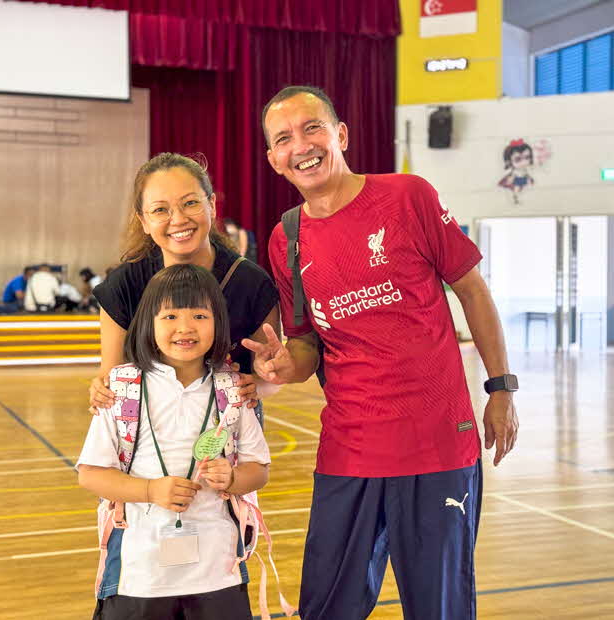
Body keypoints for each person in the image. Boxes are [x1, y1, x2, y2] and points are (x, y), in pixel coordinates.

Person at [242, 86, 519, 620]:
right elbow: (305, 348)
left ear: (340, 135)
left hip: (438, 444)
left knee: (439, 608)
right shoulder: (287, 239)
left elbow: (473, 290)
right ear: (273, 158)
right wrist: (281, 364)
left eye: (312, 128)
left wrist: (501, 389)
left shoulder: (408, 197)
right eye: (284, 138)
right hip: (351, 449)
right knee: (325, 607)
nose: (301, 145)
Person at [78, 263, 270, 619]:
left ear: (219, 323)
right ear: (148, 323)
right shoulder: (121, 387)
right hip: (140, 576)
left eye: (200, 314)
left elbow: (258, 471)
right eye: (169, 316)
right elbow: (90, 474)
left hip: (218, 571)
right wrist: (151, 491)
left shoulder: (233, 388)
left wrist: (233, 478)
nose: (185, 327)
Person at [88, 152, 280, 419]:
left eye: (190, 203)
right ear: (143, 220)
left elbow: (269, 377)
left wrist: (260, 381)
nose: (177, 219)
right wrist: (102, 390)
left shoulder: (252, 284)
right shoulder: (123, 285)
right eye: (159, 210)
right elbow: (111, 377)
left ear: (212, 205)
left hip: (227, 427)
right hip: (149, 428)